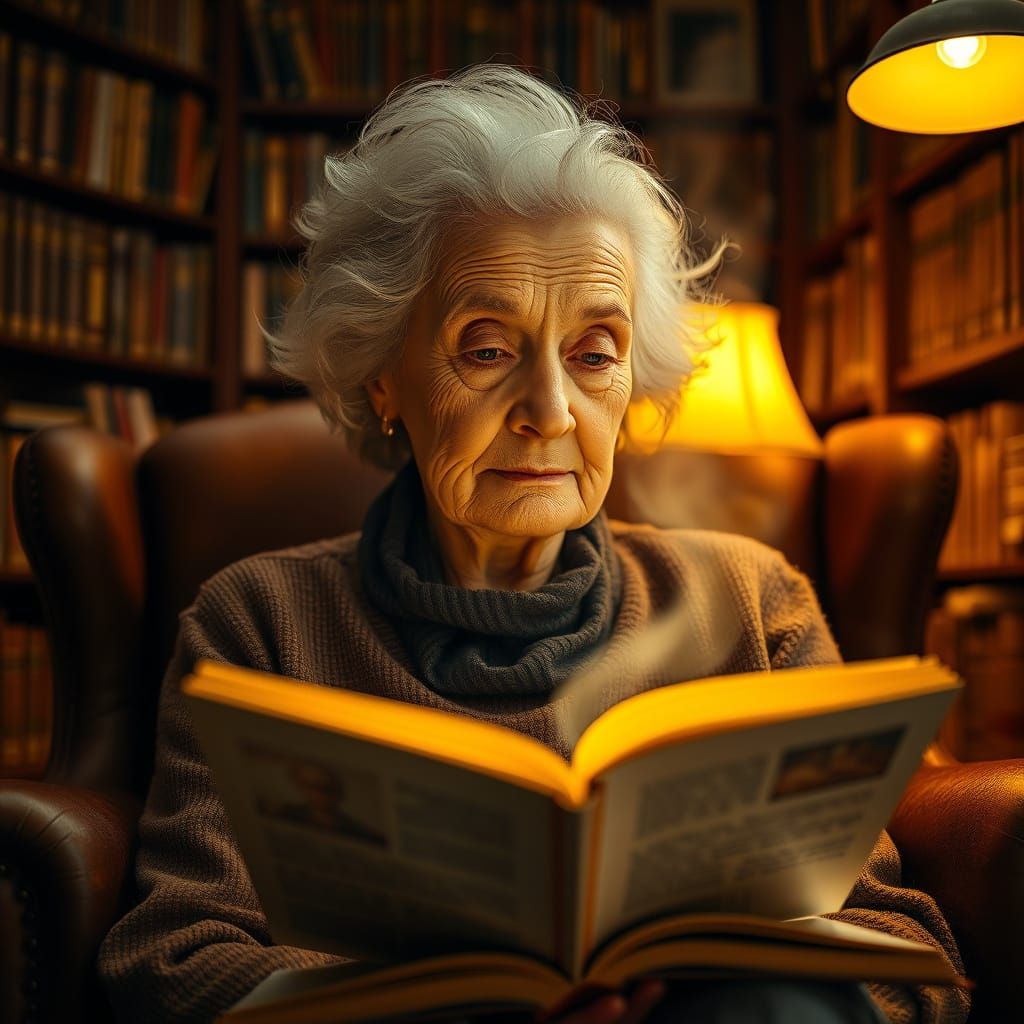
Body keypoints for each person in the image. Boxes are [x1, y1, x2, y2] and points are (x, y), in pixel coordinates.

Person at [97, 65, 969, 1024]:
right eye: (486, 347)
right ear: (383, 375)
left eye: (595, 353)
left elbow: (898, 949)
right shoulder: (257, 625)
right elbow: (172, 960)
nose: (551, 412)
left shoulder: (755, 605)